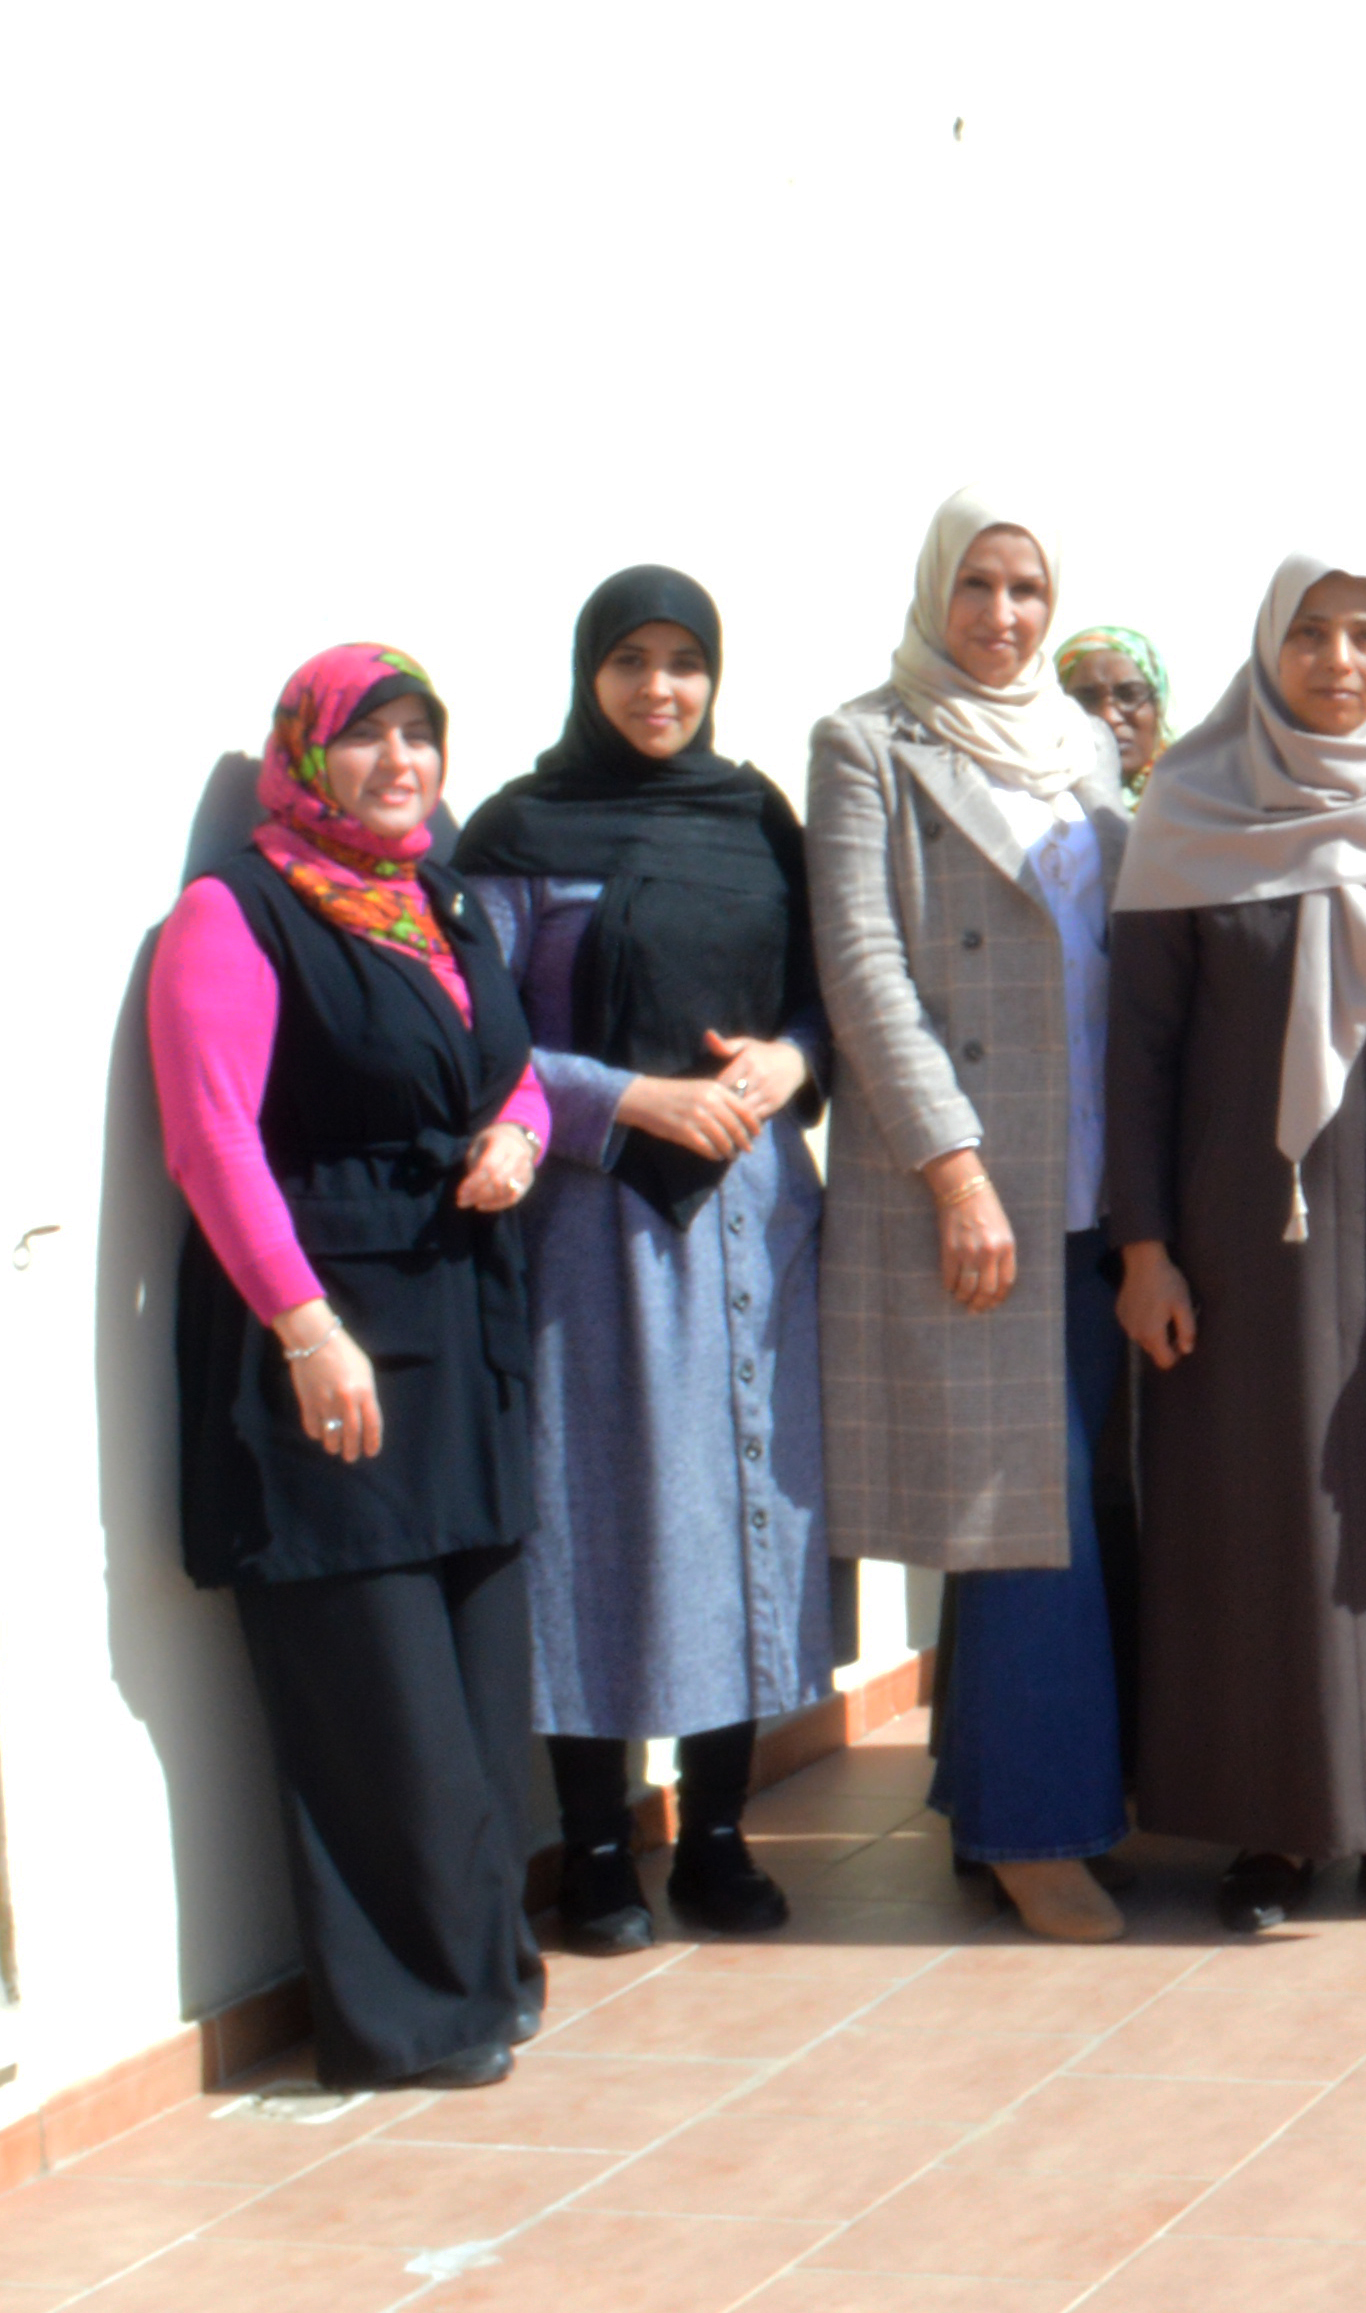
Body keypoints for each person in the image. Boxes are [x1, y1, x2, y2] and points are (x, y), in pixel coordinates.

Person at [151, 646, 552, 2090]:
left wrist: (522, 1135)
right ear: (305, 756)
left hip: (462, 1334)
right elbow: (211, 1139)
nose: (400, 764)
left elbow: (505, 1062)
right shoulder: (233, 911)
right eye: (368, 738)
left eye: (420, 736)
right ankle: (408, 2018)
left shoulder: (433, 897)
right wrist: (306, 1326)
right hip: (330, 1348)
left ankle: (486, 1973)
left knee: (477, 1692)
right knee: (379, 1702)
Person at [1109, 554, 1366, 1932]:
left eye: (1364, 636)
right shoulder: (1191, 808)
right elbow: (1145, 1051)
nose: (1338, 660)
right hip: (1242, 1236)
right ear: (1266, 648)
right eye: (1311, 634)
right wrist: (1146, 1247)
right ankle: (1269, 1830)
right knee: (1260, 1517)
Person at [457, 570, 835, 1953]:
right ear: (588, 673)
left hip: (753, 1208)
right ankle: (602, 1846)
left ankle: (723, 1836)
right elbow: (479, 1036)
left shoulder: (753, 819)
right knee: (599, 1512)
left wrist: (793, 1060)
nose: (660, 689)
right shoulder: (521, 827)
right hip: (589, 1219)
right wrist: (629, 1100)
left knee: (746, 1507)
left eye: (685, 662)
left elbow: (821, 989)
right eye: (630, 660)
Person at [810, 489, 1132, 1944]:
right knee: (1019, 1509)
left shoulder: (1086, 755)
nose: (1003, 616)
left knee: (1057, 1503)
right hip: (973, 1190)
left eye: (1027, 589)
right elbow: (863, 966)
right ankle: (1032, 1830)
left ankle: (983, 1792)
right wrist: (953, 1169)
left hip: (1090, 1180)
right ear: (936, 591)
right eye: (979, 587)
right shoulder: (869, 742)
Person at [1055, 627, 1170, 804]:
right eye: (1086, 699)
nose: (1109, 717)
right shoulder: (1038, 810)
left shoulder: (1200, 805)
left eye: (1129, 695)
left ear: (1158, 706)